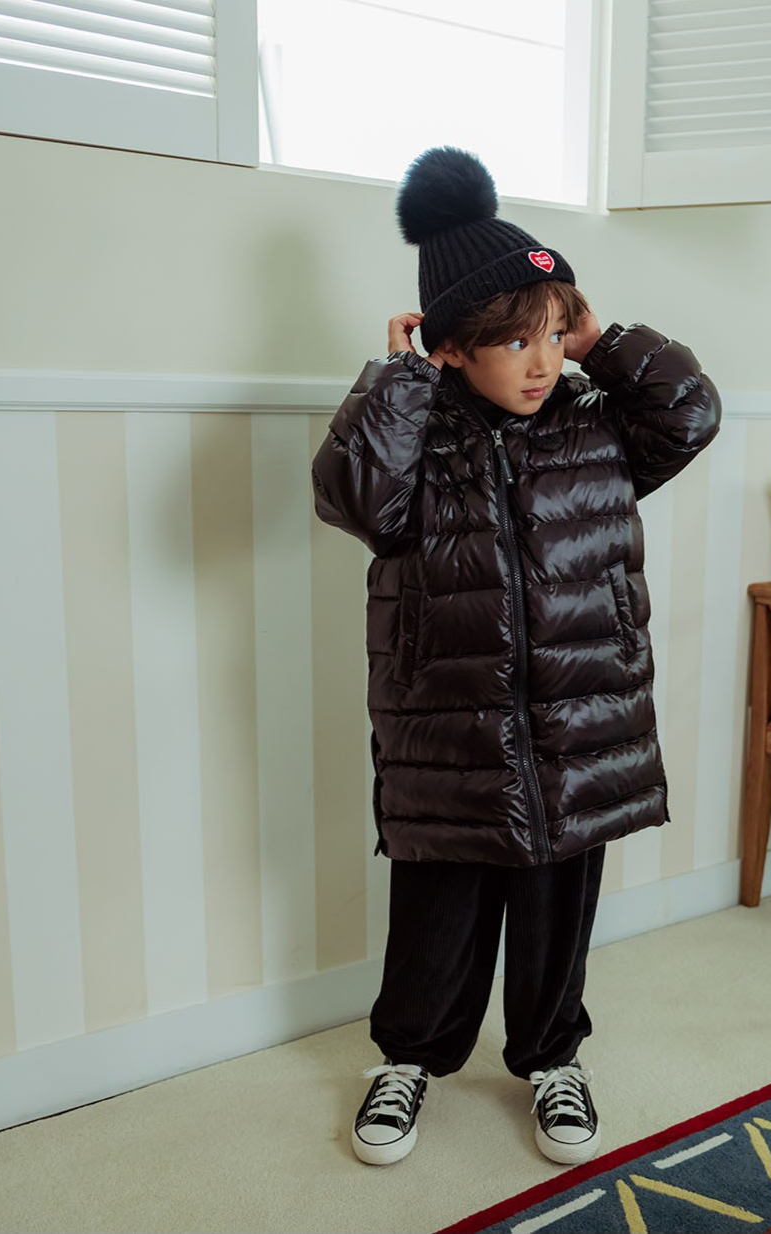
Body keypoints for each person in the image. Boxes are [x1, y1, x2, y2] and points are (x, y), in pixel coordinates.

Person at [311, 146, 721, 1167]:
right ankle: (408, 1057)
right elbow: (355, 499)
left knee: (556, 905)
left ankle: (551, 1058)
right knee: (439, 907)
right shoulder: (413, 437)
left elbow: (692, 413)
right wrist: (401, 384)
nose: (543, 361)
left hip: (583, 717)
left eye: (553, 335)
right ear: (452, 348)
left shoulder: (596, 426)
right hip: (450, 728)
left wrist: (600, 336)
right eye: (515, 341)